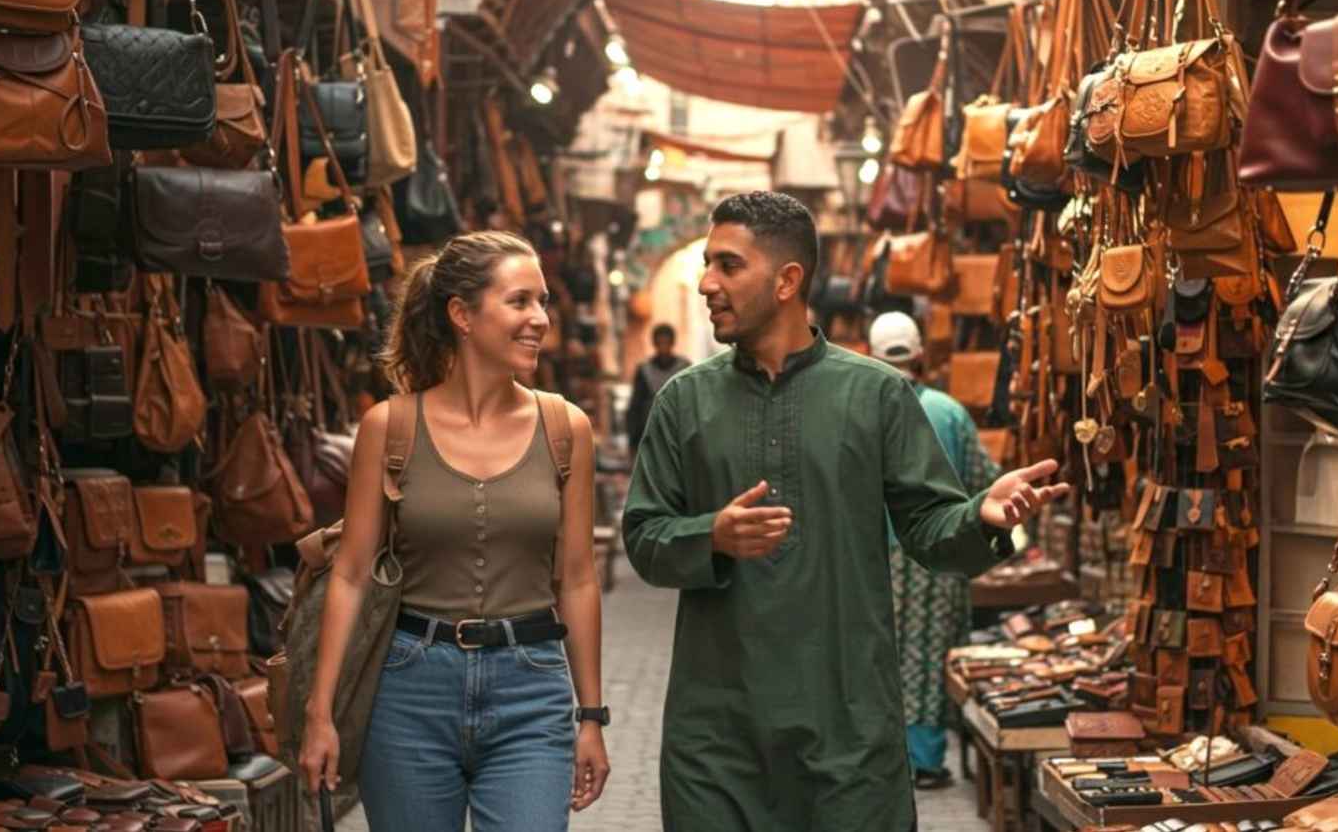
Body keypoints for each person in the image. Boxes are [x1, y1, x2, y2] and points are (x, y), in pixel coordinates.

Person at [623, 191, 1070, 832]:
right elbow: (643, 535)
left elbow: (928, 526)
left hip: (849, 730)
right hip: (718, 735)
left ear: (787, 280)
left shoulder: (876, 395)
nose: (705, 283)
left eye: (727, 265)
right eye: (707, 264)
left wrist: (982, 516)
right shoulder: (684, 403)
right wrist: (710, 535)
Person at [297, 232, 611, 831]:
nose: (540, 320)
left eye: (543, 302)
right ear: (462, 314)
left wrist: (591, 716)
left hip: (532, 690)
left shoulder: (565, 428)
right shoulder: (389, 428)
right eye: (520, 302)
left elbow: (575, 579)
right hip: (410, 689)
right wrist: (321, 713)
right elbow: (350, 573)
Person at [868, 311, 1002, 791]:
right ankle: (925, 760)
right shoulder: (948, 411)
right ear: (920, 354)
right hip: (938, 553)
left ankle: (879, 759)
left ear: (871, 355)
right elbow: (986, 482)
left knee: (874, 656)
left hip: (872, 557)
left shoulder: (861, 408)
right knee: (927, 658)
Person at [625, 323, 691, 452]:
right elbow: (635, 405)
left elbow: (691, 402)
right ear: (654, 343)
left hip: (678, 429)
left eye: (666, 342)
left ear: (672, 343)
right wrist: (633, 440)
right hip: (650, 429)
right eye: (660, 342)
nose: (663, 346)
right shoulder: (645, 370)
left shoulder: (684, 368)